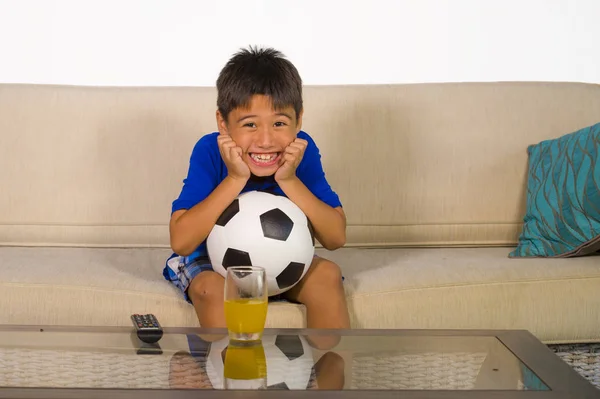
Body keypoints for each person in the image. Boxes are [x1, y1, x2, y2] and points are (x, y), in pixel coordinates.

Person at [163, 46, 350, 343]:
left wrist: (288, 179)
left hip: (286, 258)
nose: (265, 140)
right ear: (223, 124)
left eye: (279, 123)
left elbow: (335, 238)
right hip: (211, 261)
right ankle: (227, 379)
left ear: (298, 121)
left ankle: (325, 378)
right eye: (250, 124)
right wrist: (236, 177)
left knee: (327, 276)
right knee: (212, 290)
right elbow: (182, 242)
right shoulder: (210, 150)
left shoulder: (302, 150)